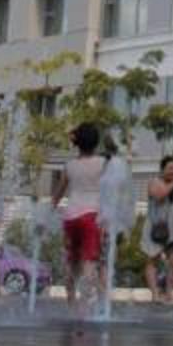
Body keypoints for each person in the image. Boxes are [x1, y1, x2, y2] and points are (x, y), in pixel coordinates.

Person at [51, 122, 107, 301]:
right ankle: (85, 306)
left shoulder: (69, 165)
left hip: (70, 217)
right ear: (96, 142)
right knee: (89, 262)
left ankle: (71, 303)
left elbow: (57, 195)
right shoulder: (103, 163)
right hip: (91, 216)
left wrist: (47, 213)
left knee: (72, 261)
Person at [144, 154, 173, 301]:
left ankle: (169, 292)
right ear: (162, 169)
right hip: (156, 227)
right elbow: (159, 196)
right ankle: (155, 293)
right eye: (170, 168)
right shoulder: (154, 182)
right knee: (153, 258)